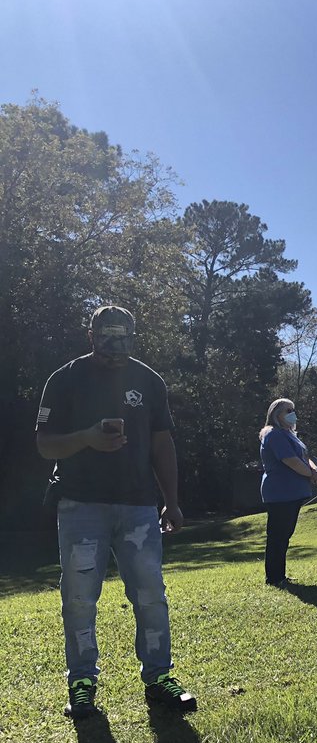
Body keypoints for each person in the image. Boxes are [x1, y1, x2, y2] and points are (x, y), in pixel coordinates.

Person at [36, 305, 196, 719]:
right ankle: (82, 682)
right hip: (79, 505)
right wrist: (88, 437)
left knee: (150, 595)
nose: (115, 352)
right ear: (91, 336)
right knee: (78, 597)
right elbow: (45, 445)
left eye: (123, 343)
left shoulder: (149, 380)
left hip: (139, 505)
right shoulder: (64, 379)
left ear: (132, 337)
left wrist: (172, 500)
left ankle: (159, 676)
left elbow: (163, 443)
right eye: (108, 343)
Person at [259, 398, 317, 587]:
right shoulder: (275, 435)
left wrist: (314, 469)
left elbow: (304, 457)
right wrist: (310, 474)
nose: (292, 413)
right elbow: (291, 461)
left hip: (292, 493)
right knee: (277, 536)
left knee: (284, 534)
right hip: (280, 493)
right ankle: (274, 578)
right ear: (276, 415)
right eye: (288, 410)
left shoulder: (290, 435)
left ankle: (280, 575)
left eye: (293, 409)